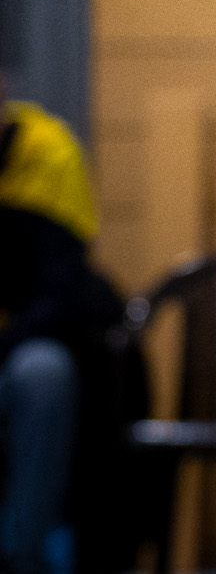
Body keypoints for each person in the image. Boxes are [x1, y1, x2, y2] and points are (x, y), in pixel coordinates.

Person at [0, 80, 121, 574]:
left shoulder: (47, 152)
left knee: (42, 375)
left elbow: (62, 295)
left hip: (26, 346)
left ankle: (22, 557)